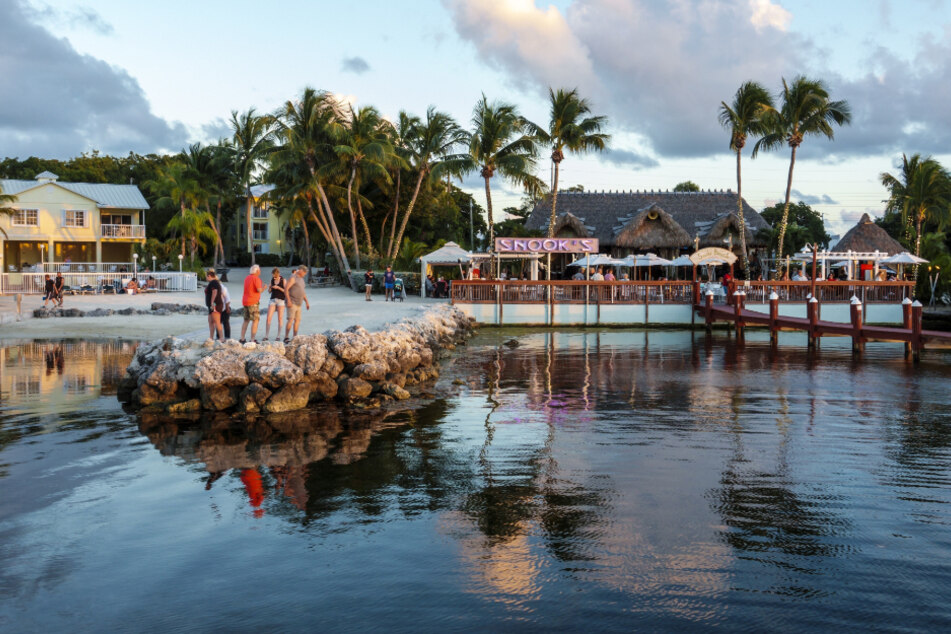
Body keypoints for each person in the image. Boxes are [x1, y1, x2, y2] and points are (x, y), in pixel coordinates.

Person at [284, 265, 310, 342]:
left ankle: (295, 337)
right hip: (292, 302)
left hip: (299, 303)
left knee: (297, 320)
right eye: (304, 272)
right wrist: (288, 300)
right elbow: (286, 289)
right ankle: (286, 337)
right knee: (291, 319)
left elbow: (303, 292)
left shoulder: (301, 279)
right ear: (300, 271)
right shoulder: (293, 278)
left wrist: (307, 302)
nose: (305, 273)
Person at [240, 264, 264, 344]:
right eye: (259, 270)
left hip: (245, 301)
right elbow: (259, 290)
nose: (260, 271)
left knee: (246, 320)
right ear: (257, 271)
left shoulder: (247, 278)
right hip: (253, 302)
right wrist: (264, 287)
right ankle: (252, 339)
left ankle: (242, 338)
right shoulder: (256, 278)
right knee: (255, 320)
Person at [264, 268, 286, 341]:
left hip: (281, 300)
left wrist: (278, 287)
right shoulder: (272, 280)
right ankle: (266, 336)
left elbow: (286, 291)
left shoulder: (283, 280)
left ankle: (278, 336)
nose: (274, 277)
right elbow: (269, 291)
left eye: (275, 276)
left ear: (278, 274)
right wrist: (270, 288)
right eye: (273, 276)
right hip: (272, 300)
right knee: (268, 318)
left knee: (280, 318)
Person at [204, 269, 224, 341]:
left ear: (209, 276)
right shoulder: (213, 283)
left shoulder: (214, 282)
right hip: (211, 306)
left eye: (206, 276)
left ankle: (221, 337)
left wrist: (212, 302)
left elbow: (215, 291)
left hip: (215, 305)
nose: (206, 278)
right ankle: (211, 338)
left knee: (217, 321)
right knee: (210, 321)